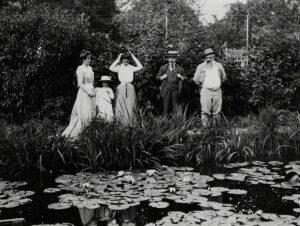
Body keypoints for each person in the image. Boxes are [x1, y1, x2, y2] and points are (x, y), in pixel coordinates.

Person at [62, 50, 95, 139]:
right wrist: (88, 91)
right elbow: (80, 84)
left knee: (90, 115)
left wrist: (92, 90)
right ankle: (73, 137)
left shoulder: (90, 68)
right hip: (84, 93)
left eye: (90, 59)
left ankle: (86, 136)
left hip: (91, 91)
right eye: (88, 59)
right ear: (83, 60)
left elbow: (91, 82)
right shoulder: (80, 69)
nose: (89, 60)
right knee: (83, 115)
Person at [193, 48, 226, 127]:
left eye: (210, 57)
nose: (208, 59)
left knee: (217, 112)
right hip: (206, 91)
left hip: (217, 91)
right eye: (206, 58)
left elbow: (224, 77)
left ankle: (216, 130)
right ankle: (205, 130)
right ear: (204, 58)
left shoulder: (219, 65)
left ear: (213, 56)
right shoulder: (201, 66)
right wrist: (201, 84)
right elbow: (195, 79)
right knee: (205, 111)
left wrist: (218, 83)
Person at [109, 52, 143, 125]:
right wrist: (118, 58)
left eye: (127, 61)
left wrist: (133, 56)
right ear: (122, 61)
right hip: (121, 87)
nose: (126, 62)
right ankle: (120, 123)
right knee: (120, 104)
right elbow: (111, 68)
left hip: (130, 87)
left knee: (130, 105)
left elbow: (140, 66)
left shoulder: (131, 67)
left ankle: (130, 123)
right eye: (124, 61)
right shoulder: (119, 67)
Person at [156, 50, 186, 115]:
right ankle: (165, 123)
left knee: (175, 108)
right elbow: (157, 77)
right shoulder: (164, 67)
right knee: (165, 109)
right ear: (168, 59)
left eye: (173, 58)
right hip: (166, 90)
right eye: (170, 58)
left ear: (176, 59)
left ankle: (176, 123)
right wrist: (161, 77)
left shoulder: (180, 68)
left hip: (175, 90)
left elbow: (186, 78)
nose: (171, 60)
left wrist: (181, 77)